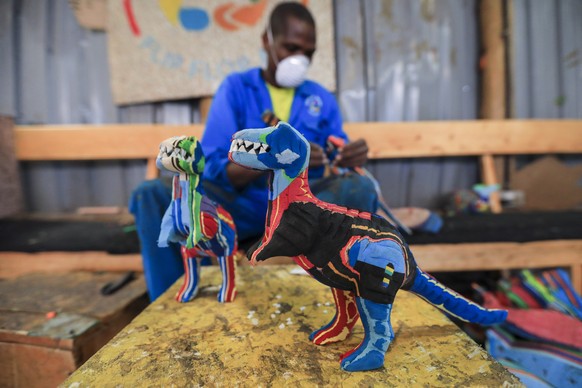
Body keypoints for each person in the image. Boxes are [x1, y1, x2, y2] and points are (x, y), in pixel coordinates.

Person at [129, 2, 378, 301]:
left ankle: (362, 294)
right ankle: (169, 306)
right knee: (154, 194)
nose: (299, 59)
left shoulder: (320, 98)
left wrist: (347, 158)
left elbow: (336, 155)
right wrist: (269, 158)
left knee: (359, 187)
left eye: (308, 53)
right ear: (266, 40)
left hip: (301, 208)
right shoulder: (236, 88)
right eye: (290, 47)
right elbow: (214, 166)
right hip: (241, 206)